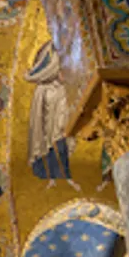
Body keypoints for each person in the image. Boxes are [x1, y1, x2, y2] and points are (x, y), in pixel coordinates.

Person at [25, 41, 78, 188]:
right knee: (49, 144)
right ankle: (52, 177)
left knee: (61, 141)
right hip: (48, 124)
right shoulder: (44, 89)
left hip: (60, 126)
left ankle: (64, 176)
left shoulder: (64, 90)